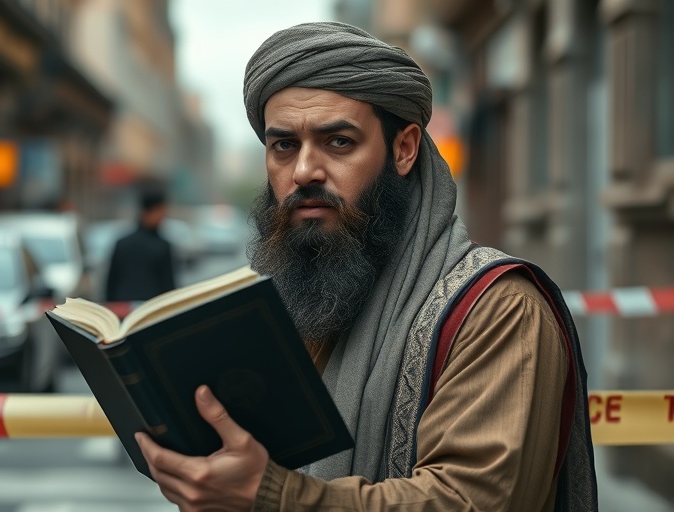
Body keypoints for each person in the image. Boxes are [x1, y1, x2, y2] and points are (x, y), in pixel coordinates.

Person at [133, 22, 598, 511]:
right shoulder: (309, 299)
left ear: (404, 149)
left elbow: (470, 501)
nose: (304, 171)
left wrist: (270, 496)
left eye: (338, 142)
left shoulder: (498, 310)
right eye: (284, 146)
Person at [105, 185, 177, 302]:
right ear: (151, 211)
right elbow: (168, 287)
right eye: (161, 211)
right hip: (152, 311)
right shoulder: (162, 246)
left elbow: (110, 285)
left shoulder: (122, 244)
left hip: (123, 310)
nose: (163, 216)